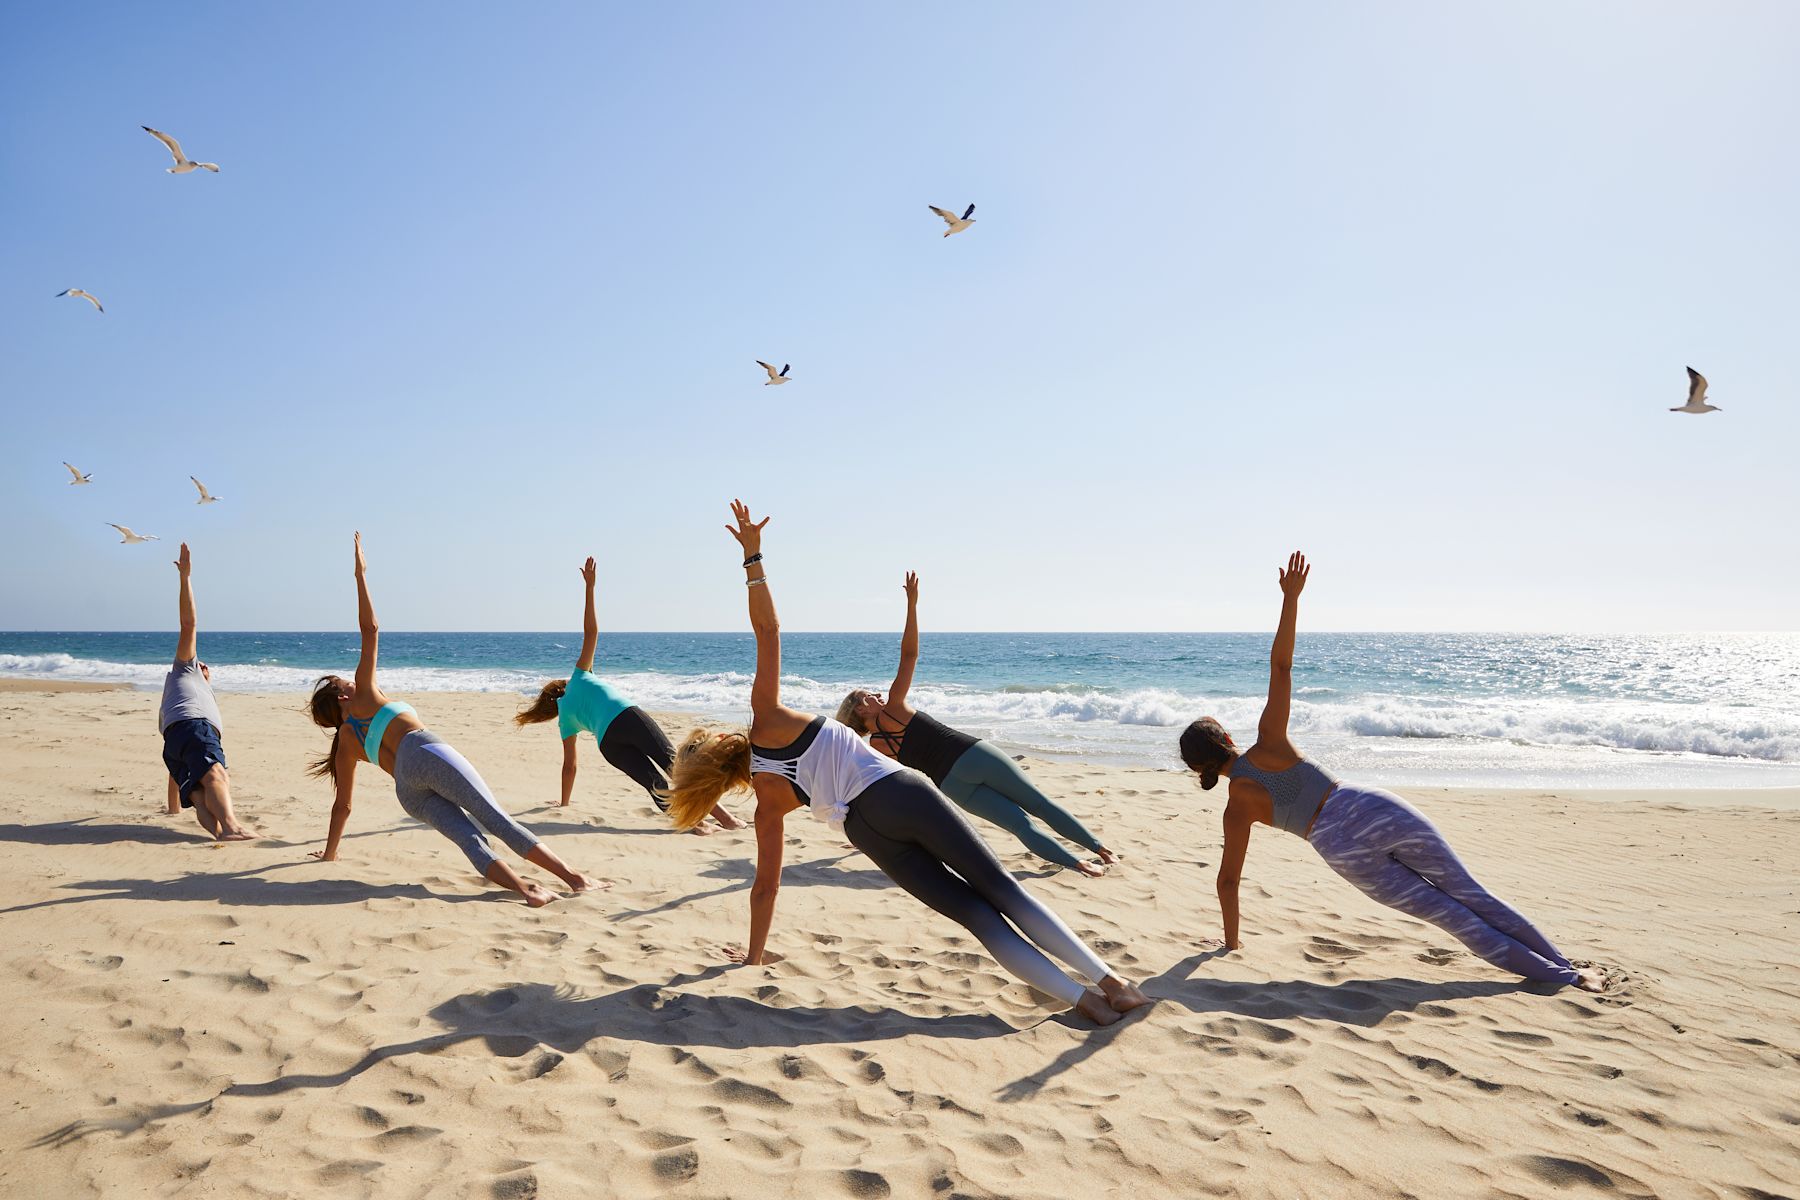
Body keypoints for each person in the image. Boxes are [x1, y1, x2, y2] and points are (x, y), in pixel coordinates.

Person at [661, 502, 1150, 1024]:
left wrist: (755, 955)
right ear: (714, 741)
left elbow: (766, 887)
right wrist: (753, 559)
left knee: (978, 918)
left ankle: (1086, 1004)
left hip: (867, 834)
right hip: (898, 791)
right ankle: (1113, 983)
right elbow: (769, 632)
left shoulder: (766, 803)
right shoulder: (768, 719)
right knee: (1001, 888)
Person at [1180, 552, 1603, 991]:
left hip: (1337, 847)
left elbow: (1228, 882)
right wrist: (1291, 599)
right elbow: (1281, 666)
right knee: (1470, 892)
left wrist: (1230, 943)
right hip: (1366, 806)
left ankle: (1564, 977)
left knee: (1451, 916)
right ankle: (1568, 967)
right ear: (1227, 736)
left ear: (1199, 769)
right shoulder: (1270, 740)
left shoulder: (1236, 809)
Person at [305, 533, 603, 906]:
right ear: (343, 695)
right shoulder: (363, 692)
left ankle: (526, 890)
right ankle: (574, 879)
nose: (348, 679)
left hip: (407, 792)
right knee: (495, 819)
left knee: (469, 839)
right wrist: (360, 575)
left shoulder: (346, 741)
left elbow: (343, 806)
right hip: (425, 754)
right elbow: (371, 629)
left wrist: (331, 853)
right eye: (342, 681)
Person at [835, 573, 1114, 877]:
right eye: (868, 695)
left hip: (952, 786)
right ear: (861, 709)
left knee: (1020, 825)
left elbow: (878, 787)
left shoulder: (877, 746)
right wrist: (912, 605)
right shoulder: (894, 707)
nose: (876, 694)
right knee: (1039, 805)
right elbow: (910, 655)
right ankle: (1100, 850)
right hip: (973, 756)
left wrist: (865, 830)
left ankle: (1079, 864)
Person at [514, 557, 742, 832]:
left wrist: (564, 804)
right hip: (627, 718)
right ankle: (727, 819)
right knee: (676, 767)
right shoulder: (579, 677)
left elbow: (570, 767)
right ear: (562, 684)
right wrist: (590, 588)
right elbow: (591, 632)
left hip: (609, 744)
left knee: (654, 784)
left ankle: (696, 825)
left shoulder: (564, 719)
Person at [159, 543, 254, 841]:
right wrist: (185, 577)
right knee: (216, 775)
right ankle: (232, 827)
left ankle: (218, 833)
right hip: (195, 729)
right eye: (203, 664)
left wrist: (174, 808)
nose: (204, 665)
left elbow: (175, 766)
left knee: (199, 794)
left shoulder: (178, 697)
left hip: (175, 740)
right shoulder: (185, 670)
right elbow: (189, 624)